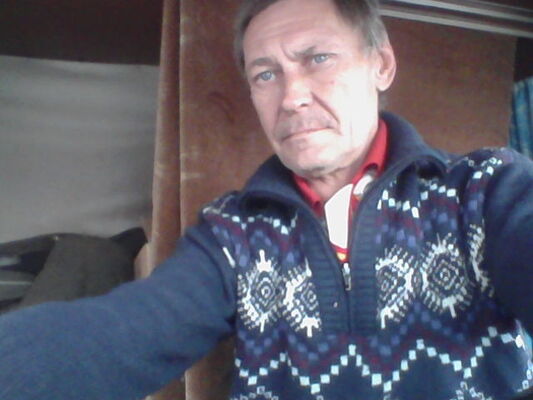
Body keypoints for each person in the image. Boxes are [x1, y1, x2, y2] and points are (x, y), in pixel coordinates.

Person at [0, 0, 532, 399]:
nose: (292, 96)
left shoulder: (483, 191)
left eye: (318, 58)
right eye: (266, 74)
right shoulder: (230, 233)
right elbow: (126, 334)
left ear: (382, 64)